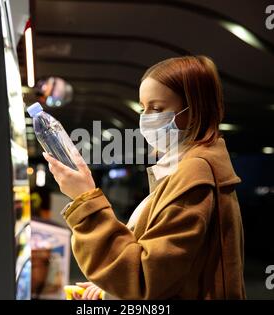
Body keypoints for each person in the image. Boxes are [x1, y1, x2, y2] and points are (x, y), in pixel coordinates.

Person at [43, 55, 246, 300]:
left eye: (157, 108)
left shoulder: (196, 176)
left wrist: (85, 199)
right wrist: (111, 291)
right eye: (143, 108)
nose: (146, 118)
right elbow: (170, 274)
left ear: (194, 110)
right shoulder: (183, 169)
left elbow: (144, 280)